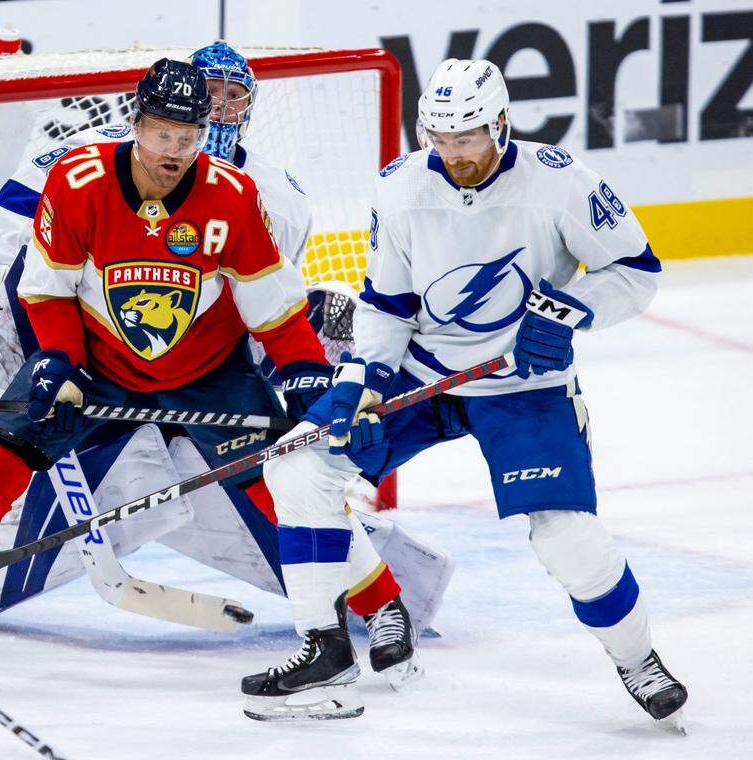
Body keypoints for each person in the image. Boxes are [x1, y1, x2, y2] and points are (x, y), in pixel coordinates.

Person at [0, 42, 442, 672]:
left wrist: (307, 380)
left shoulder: (233, 195)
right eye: (163, 132)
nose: (175, 149)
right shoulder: (77, 182)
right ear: (136, 123)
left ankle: (385, 605)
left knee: (294, 481)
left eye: (189, 135)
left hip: (209, 374)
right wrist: (59, 361)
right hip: (95, 366)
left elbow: (274, 310)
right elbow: (44, 288)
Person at [244, 58, 688, 726]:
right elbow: (388, 303)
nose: (454, 155)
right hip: (422, 375)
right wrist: (363, 381)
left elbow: (636, 271)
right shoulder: (399, 188)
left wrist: (564, 312)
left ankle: (637, 658)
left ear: (501, 124)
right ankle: (325, 647)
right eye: (440, 140)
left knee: (567, 538)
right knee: (298, 466)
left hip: (526, 386)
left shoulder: (562, 183)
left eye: (469, 139)